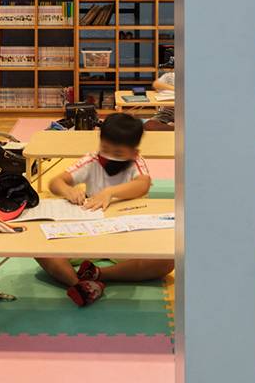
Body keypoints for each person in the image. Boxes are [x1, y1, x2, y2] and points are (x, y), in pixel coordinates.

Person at [34, 112, 174, 306]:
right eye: (105, 149)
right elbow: (55, 182)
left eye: (118, 153)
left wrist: (110, 192)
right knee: (39, 249)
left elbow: (143, 184)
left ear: (133, 153)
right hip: (89, 233)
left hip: (128, 236)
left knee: (167, 261)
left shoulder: (136, 163)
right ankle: (80, 285)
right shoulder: (92, 160)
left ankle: (99, 274)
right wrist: (68, 190)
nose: (109, 156)